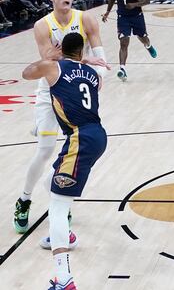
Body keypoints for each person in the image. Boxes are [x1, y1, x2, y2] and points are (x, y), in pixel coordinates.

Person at [13, 0, 107, 238]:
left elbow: (101, 60)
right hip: (50, 90)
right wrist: (80, 62)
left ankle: (61, 199)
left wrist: (94, 74)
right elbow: (47, 61)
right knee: (45, 150)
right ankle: (24, 200)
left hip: (76, 86)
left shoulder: (87, 19)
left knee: (75, 149)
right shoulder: (42, 25)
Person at [22, 32, 109, 290]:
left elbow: (27, 73)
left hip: (79, 138)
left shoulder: (53, 67)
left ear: (61, 50)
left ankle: (64, 279)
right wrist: (84, 64)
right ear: (81, 53)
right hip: (97, 135)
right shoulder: (92, 75)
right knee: (50, 183)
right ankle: (64, 235)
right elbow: (88, 84)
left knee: (58, 206)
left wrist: (48, 57)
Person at [101, 0, 157, 81]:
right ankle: (122, 69)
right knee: (123, 42)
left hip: (137, 17)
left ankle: (148, 46)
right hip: (122, 18)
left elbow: (147, 0)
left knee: (142, 38)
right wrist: (107, 12)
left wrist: (135, 5)